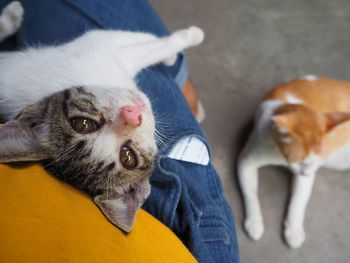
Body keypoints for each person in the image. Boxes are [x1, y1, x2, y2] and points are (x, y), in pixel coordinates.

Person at [0, 1, 239, 262]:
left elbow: (97, 45)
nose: (130, 119)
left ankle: (181, 79)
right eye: (128, 156)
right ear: (136, 189)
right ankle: (181, 80)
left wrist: (171, 44)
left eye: (84, 124)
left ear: (35, 122)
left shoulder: (44, 121)